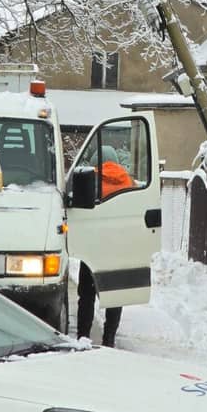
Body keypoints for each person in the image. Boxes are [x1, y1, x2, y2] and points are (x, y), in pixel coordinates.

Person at [77, 145, 134, 348]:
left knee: (87, 294)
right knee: (114, 295)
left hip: (94, 245)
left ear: (95, 163)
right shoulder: (129, 182)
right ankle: (109, 338)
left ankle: (83, 336)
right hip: (118, 247)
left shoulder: (90, 181)